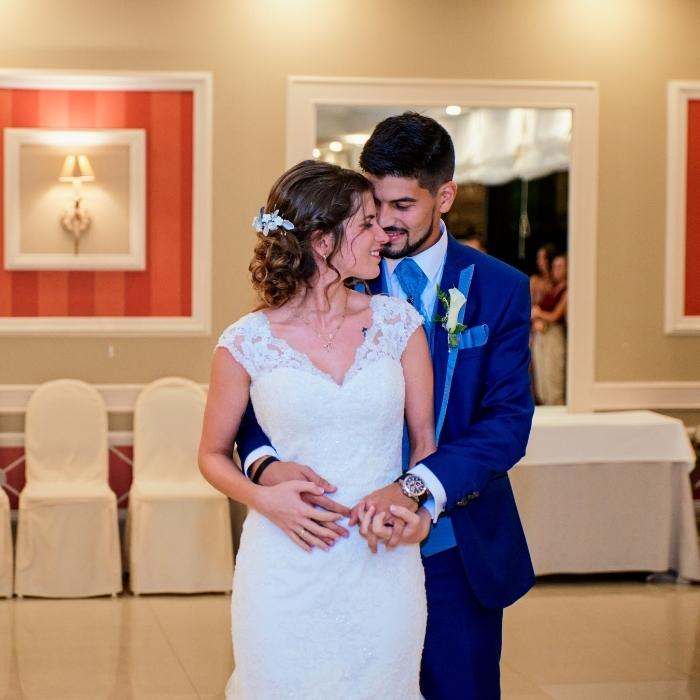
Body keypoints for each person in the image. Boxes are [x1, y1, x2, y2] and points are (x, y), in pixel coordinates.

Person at [237, 113, 536, 699]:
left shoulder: (500, 288)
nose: (384, 223)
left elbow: (506, 423)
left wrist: (417, 488)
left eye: (402, 205)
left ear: (444, 197)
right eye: (374, 205)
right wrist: (267, 468)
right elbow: (258, 396)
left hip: (453, 541)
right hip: (335, 540)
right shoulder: (334, 268)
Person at [198, 160, 436, 699]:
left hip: (382, 562)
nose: (384, 235)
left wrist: (417, 511)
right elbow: (211, 454)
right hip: (285, 561)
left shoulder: (399, 325)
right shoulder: (245, 342)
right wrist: (265, 500)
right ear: (323, 242)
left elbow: (424, 444)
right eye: (367, 223)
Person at [531, 253, 568, 405]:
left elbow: (555, 315)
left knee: (553, 377)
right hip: (541, 333)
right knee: (542, 377)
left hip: (554, 334)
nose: (556, 270)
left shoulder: (567, 290)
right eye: (554, 267)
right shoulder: (552, 288)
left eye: (560, 267)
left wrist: (539, 314)